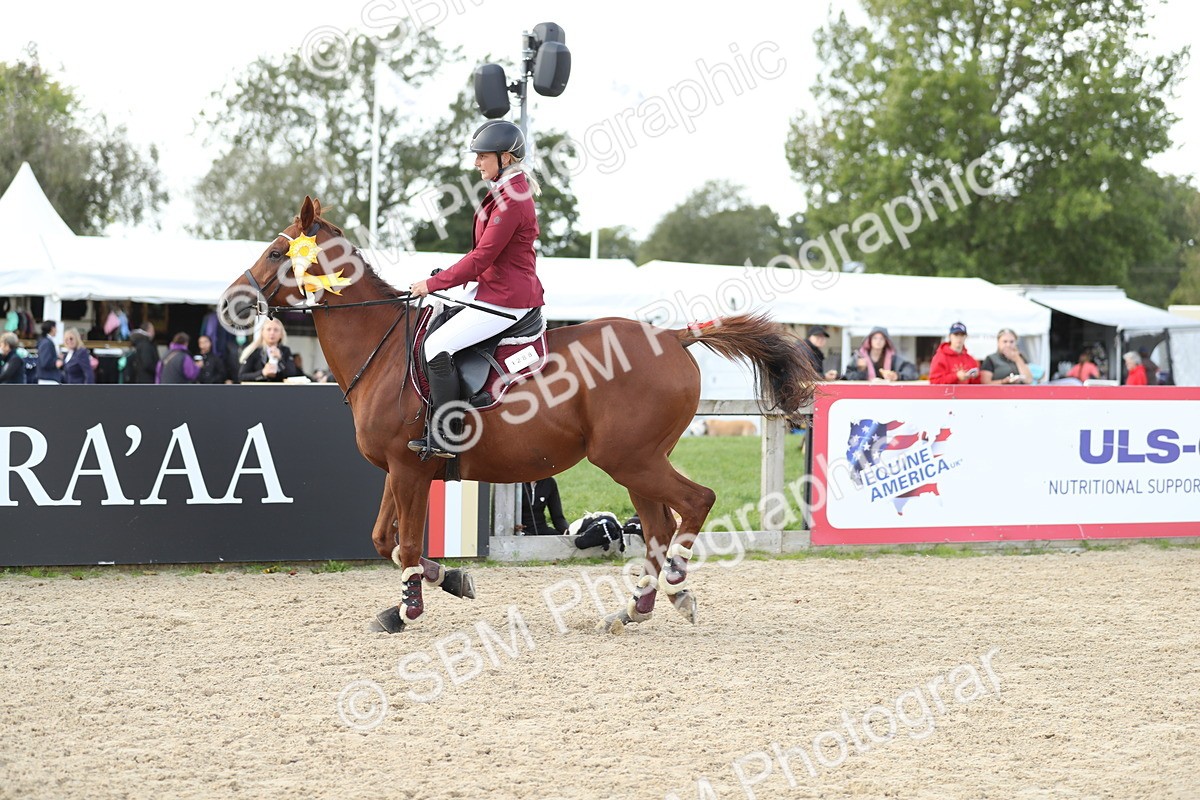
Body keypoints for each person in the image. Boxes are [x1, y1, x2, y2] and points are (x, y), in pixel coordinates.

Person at [407, 120, 545, 457]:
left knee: (435, 346)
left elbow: (483, 256)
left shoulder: (513, 199)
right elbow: (483, 255)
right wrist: (450, 280)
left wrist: (432, 284)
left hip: (508, 299)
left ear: (506, 157)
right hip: (491, 289)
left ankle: (446, 433)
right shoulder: (505, 190)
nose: (476, 162)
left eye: (482, 156)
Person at [842, 326, 917, 382]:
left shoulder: (893, 358)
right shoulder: (859, 357)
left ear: (886, 341)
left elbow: (912, 372)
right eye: (875, 338)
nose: (878, 341)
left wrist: (897, 376)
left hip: (887, 396)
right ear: (870, 340)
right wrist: (862, 370)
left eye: (881, 338)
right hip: (865, 396)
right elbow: (847, 376)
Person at [238, 318, 302, 383]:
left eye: (276, 330)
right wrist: (263, 373)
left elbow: (292, 374)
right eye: (269, 329)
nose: (272, 333)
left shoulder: (285, 351)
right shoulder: (254, 351)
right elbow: (242, 376)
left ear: (281, 334)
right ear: (262, 332)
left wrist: (280, 359)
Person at [35, 320, 63, 384]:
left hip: (46, 378)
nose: (57, 330)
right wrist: (56, 363)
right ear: (52, 328)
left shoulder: (44, 341)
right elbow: (45, 362)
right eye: (56, 328)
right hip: (48, 378)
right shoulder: (47, 342)